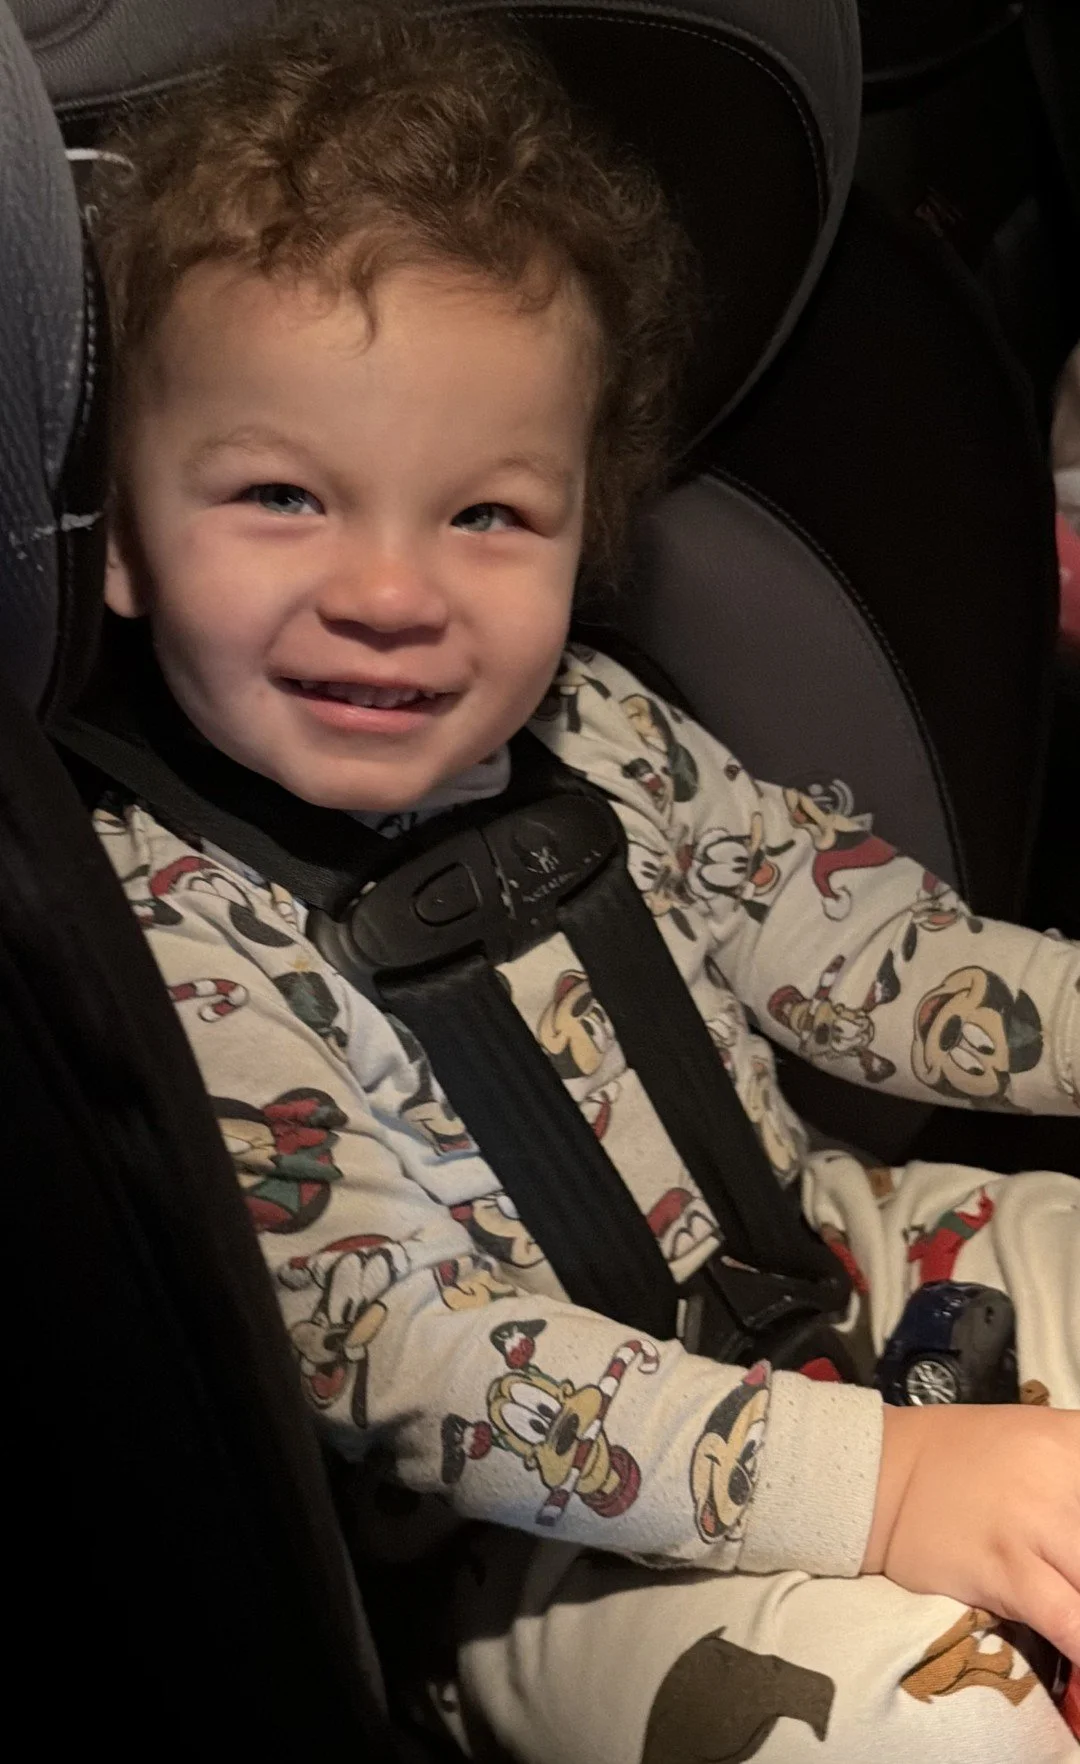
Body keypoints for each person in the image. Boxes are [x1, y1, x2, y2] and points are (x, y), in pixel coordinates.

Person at [82, 7, 1079, 1760]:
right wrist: (887, 1479)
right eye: (282, 497)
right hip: (543, 1549)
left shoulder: (607, 730)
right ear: (123, 546)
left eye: (488, 517)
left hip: (830, 1275)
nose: (391, 589)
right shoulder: (164, 925)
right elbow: (421, 1369)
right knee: (919, 1730)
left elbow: (880, 958)